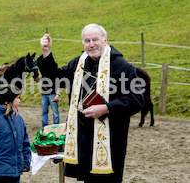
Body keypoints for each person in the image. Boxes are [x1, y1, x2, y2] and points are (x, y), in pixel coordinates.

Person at [37, 23, 144, 183]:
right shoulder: (78, 64)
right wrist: (46, 53)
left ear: (105, 40)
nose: (91, 44)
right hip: (84, 141)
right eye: (87, 41)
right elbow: (54, 80)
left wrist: (106, 108)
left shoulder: (123, 67)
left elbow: (137, 100)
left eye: (95, 39)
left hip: (111, 143)